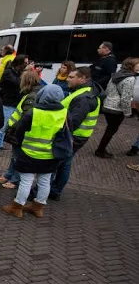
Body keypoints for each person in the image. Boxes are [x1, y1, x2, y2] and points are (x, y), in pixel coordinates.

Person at [1, 84, 68, 219]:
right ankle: (38, 208)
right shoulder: (65, 113)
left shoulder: (34, 112)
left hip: (29, 152)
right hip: (51, 154)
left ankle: (17, 207)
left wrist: (19, 143)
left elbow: (20, 130)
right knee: (45, 181)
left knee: (26, 181)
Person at [49, 66, 103, 200]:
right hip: (77, 136)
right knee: (65, 163)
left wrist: (58, 134)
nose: (68, 79)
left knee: (56, 164)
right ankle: (55, 191)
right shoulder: (85, 92)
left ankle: (44, 191)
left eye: (72, 77)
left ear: (83, 78)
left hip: (72, 136)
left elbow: (73, 121)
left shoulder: (83, 98)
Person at [0, 69, 43, 189]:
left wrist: (14, 128)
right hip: (17, 130)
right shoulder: (31, 93)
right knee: (14, 156)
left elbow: (26, 117)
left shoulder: (32, 96)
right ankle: (9, 175)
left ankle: (15, 179)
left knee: (18, 157)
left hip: (20, 132)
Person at [95, 58, 138, 159]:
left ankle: (101, 149)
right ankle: (100, 150)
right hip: (117, 109)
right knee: (111, 130)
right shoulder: (130, 78)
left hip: (107, 105)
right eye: (137, 64)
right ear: (131, 66)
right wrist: (128, 113)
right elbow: (125, 98)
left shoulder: (116, 74)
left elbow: (108, 90)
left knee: (109, 129)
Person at [0, 55, 26, 151]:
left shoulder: (17, 72)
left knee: (7, 125)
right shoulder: (9, 73)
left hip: (14, 102)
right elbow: (18, 83)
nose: (26, 65)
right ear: (20, 63)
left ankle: (0, 144)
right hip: (7, 102)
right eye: (25, 63)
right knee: (2, 124)